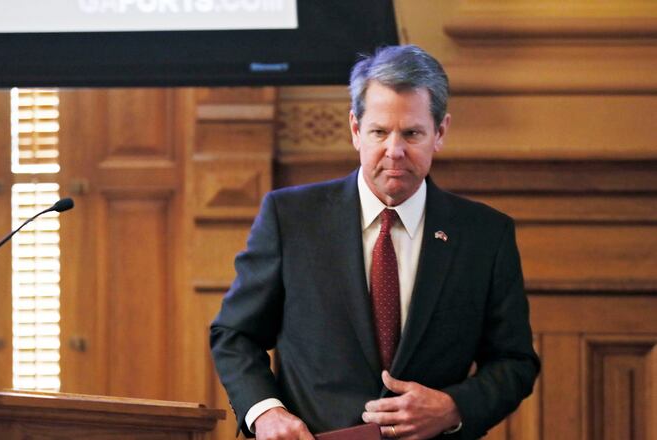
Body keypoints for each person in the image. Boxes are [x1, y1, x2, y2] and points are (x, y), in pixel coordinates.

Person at [210, 45, 540, 440]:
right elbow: (235, 335)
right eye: (379, 132)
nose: (395, 151)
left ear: (440, 132)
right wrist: (267, 414)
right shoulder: (291, 218)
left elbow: (514, 362)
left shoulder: (486, 234)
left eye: (412, 133)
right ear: (355, 130)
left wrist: (453, 407)